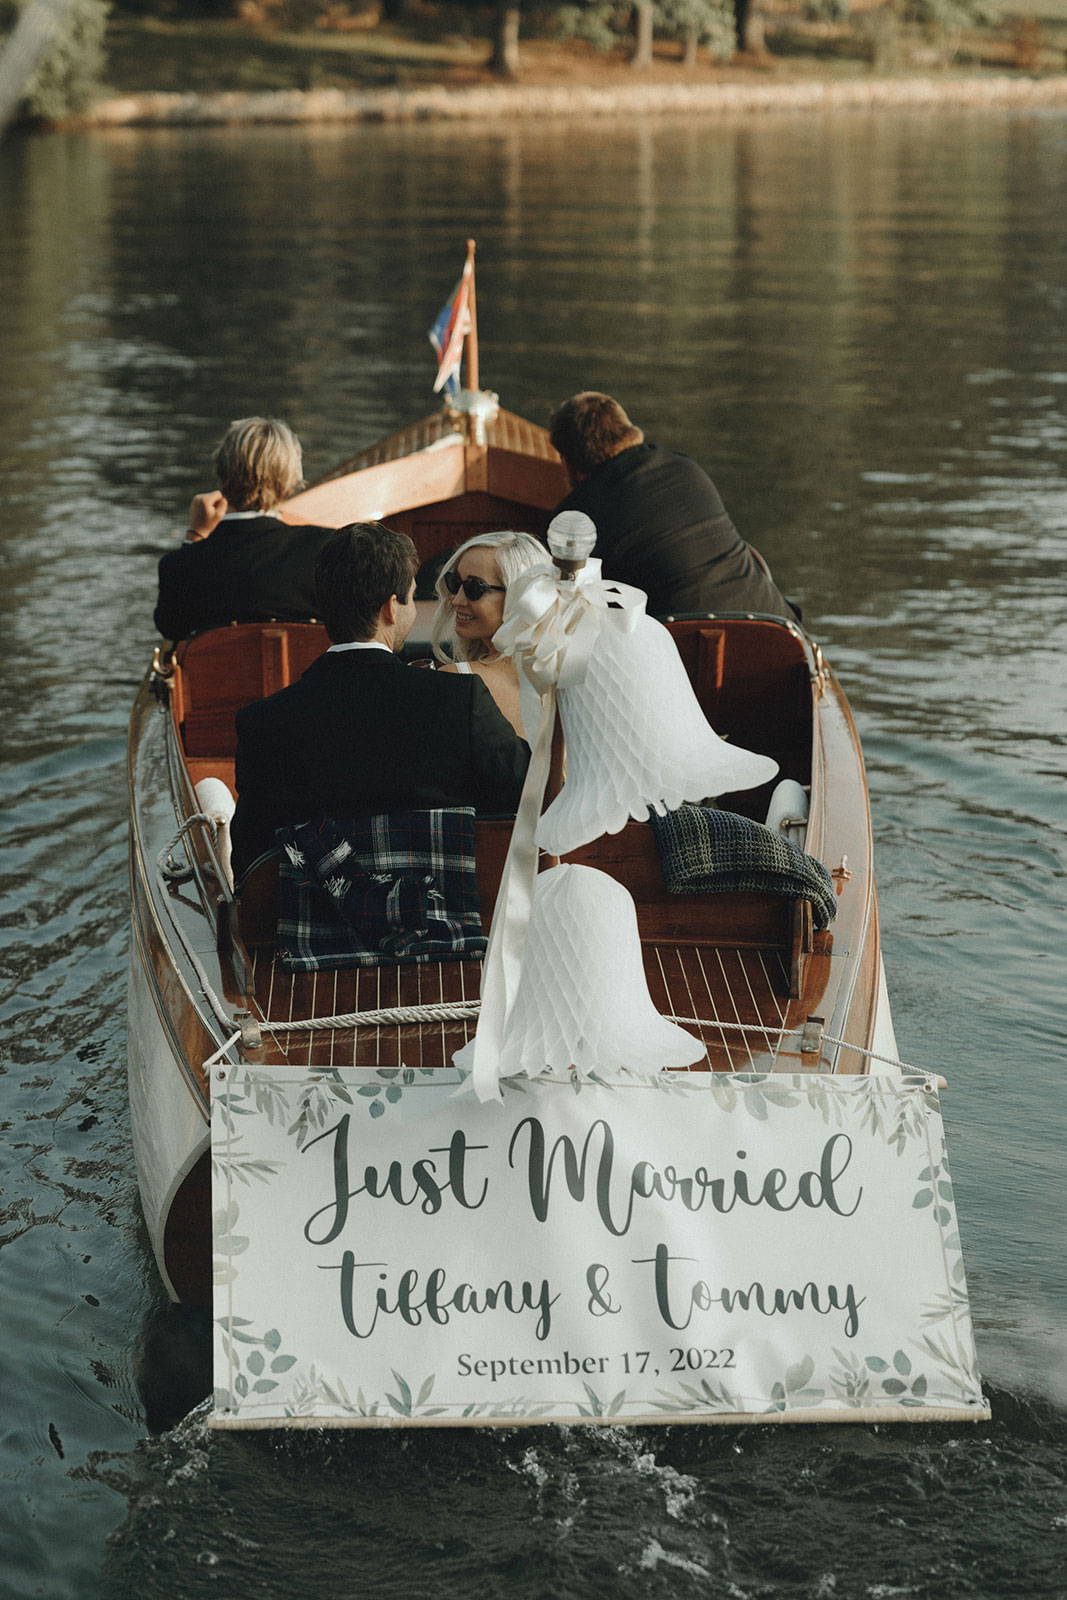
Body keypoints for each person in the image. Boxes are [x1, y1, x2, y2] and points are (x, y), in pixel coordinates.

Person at [230, 522, 530, 882]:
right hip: (437, 924)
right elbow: (528, 794)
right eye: (411, 597)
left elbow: (249, 861)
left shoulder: (262, 723)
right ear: (391, 608)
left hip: (313, 929)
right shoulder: (459, 698)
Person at [548, 392, 798, 621]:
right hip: (773, 623)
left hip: (678, 636)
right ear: (629, 433)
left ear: (568, 461)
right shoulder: (684, 467)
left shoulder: (577, 515)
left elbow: (566, 599)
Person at [153, 416, 334, 640]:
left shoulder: (179, 566)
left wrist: (195, 536)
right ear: (291, 478)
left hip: (220, 675)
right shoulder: (328, 552)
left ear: (222, 474)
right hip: (307, 675)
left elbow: (173, 631)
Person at [430, 530, 550, 737]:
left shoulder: (459, 680)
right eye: (454, 583)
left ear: (520, 597)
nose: (456, 600)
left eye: (474, 588)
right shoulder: (569, 676)